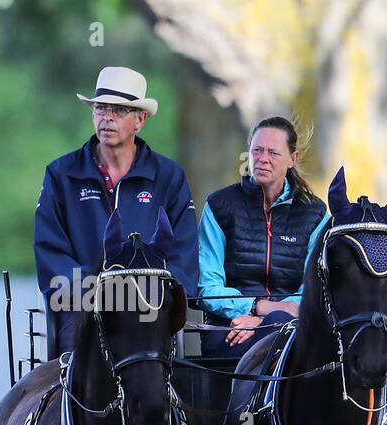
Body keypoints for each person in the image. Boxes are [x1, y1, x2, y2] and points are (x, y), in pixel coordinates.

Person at [34, 66, 199, 355]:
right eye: (100, 108)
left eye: (119, 110)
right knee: (81, 371)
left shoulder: (170, 177)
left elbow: (183, 258)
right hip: (84, 311)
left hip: (151, 311)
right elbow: (51, 256)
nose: (106, 118)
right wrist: (101, 295)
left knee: (153, 375)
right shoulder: (60, 175)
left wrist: (146, 297)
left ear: (140, 119)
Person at [196, 116, 330, 358]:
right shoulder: (219, 206)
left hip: (291, 326)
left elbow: (314, 287)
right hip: (230, 325)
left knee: (283, 324)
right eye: (257, 150)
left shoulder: (315, 214)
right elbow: (208, 287)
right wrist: (256, 307)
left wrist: (265, 321)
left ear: (293, 159)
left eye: (273, 153)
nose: (263, 159)